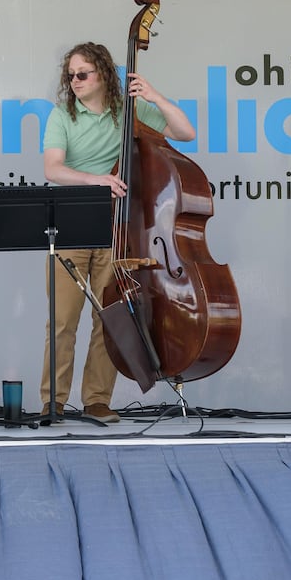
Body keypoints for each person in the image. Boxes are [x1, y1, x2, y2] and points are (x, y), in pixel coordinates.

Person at [40, 42, 197, 423]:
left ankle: (97, 399)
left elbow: (185, 132)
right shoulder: (62, 116)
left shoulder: (130, 111)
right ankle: (53, 403)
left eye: (83, 74)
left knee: (110, 318)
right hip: (73, 225)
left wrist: (154, 96)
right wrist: (98, 181)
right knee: (62, 320)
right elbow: (53, 170)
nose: (75, 81)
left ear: (103, 75)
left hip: (118, 228)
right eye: (71, 76)